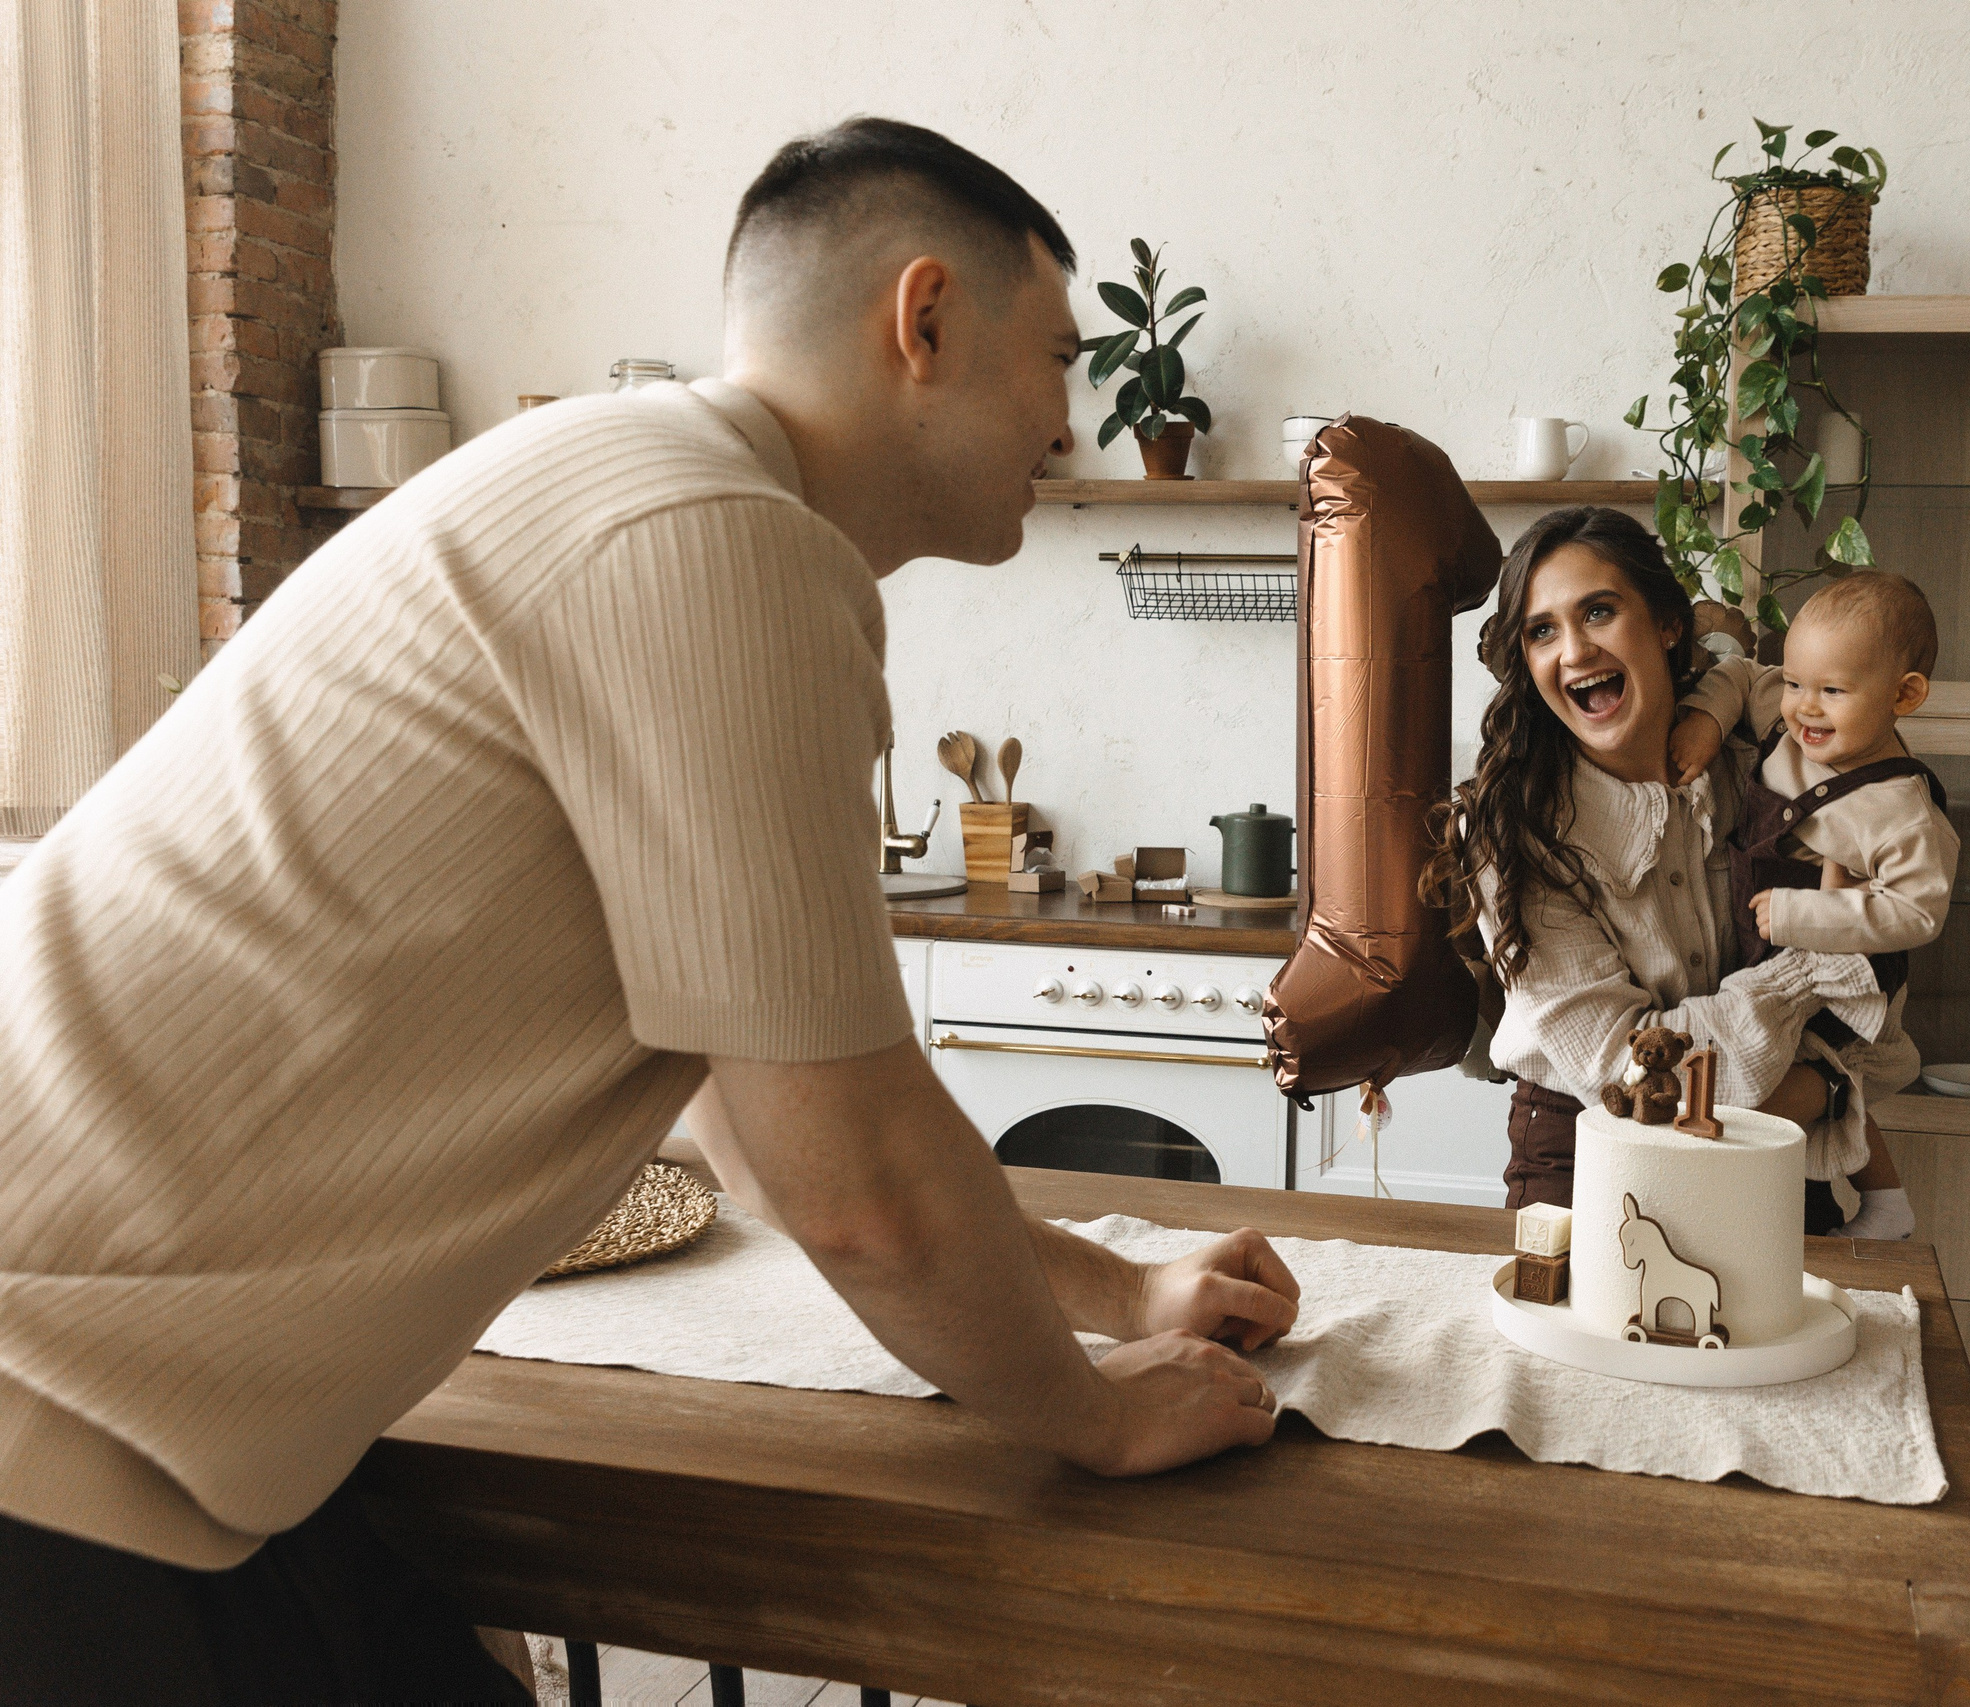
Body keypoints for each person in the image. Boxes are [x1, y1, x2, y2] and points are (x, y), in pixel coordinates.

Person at [0, 117, 1299, 1700]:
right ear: (927, 318)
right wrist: (1090, 1412)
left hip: (157, 1444)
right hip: (56, 1434)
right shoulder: (719, 539)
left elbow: (757, 1118)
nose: (1068, 415)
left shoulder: (645, 487)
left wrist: (1123, 1288)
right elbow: (860, 1184)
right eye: (1056, 359)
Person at [1421, 506, 1919, 1222]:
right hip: (1593, 1152)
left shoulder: (1767, 769)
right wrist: (1823, 1082)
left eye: (1598, 611)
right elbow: (1626, 1068)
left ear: (1667, 624)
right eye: (1541, 631)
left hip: (1777, 1149)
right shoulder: (1509, 827)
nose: (1573, 650)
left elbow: (1882, 953)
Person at [1663, 570, 1964, 1243]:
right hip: (1769, 951)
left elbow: (1919, 911)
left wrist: (1807, 916)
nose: (1803, 707)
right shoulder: (1793, 719)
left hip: (1845, 975)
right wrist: (1708, 720)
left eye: (1832, 690)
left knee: (1798, 1077)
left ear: (1904, 694)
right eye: (1796, 682)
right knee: (1789, 1072)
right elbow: (1741, 673)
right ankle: (1869, 1204)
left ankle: (1878, 1205)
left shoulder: (1902, 808)